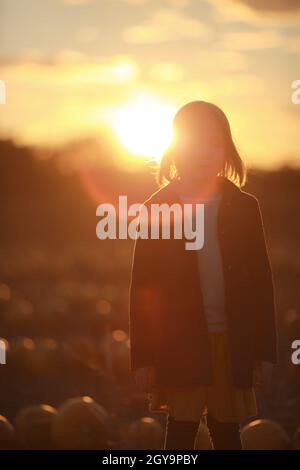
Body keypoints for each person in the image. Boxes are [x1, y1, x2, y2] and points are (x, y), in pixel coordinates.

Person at [129, 100, 277, 450]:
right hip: (180, 340)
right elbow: (142, 288)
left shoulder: (244, 207)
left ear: (227, 149)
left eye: (214, 143)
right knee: (180, 430)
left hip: (232, 337)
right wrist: (144, 356)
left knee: (227, 430)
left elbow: (261, 283)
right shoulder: (157, 209)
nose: (205, 153)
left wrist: (263, 351)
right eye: (194, 143)